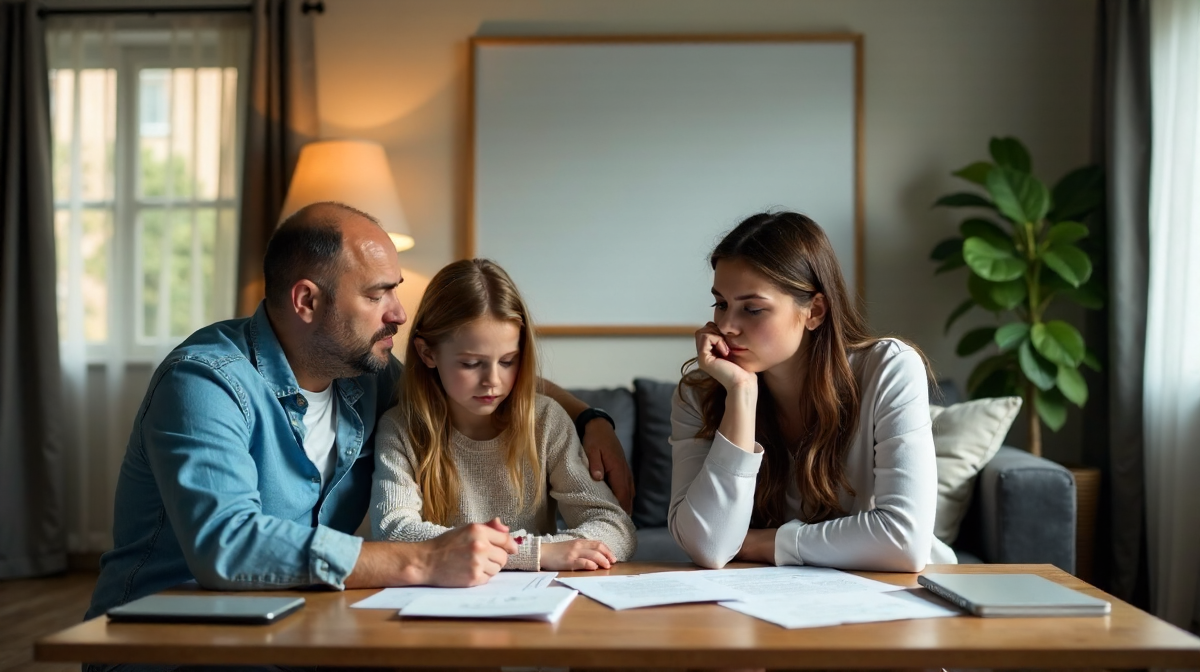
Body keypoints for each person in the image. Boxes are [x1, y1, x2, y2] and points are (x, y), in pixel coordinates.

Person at [85, 202, 633, 624]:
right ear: (306, 301)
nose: (398, 314)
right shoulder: (204, 382)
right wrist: (420, 560)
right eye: (377, 295)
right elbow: (227, 546)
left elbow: (477, 375)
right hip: (175, 639)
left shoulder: (364, 376)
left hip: (304, 629)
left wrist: (590, 418)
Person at [669, 211, 955, 571]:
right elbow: (709, 546)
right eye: (721, 304)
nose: (726, 326)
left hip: (893, 596)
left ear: (815, 311)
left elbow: (903, 541)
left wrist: (771, 542)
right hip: (768, 601)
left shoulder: (890, 368)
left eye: (752, 309)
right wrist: (741, 394)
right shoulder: (700, 393)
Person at [371, 259, 636, 570]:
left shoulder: (545, 420)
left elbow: (616, 528)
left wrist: (515, 553)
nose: (493, 381)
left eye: (508, 361)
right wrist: (535, 554)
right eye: (471, 363)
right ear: (428, 353)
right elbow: (393, 534)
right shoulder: (401, 428)